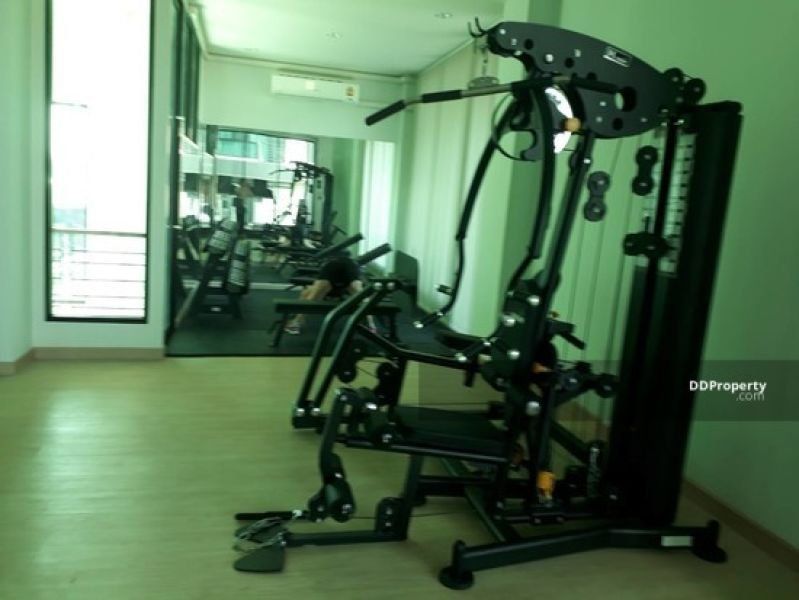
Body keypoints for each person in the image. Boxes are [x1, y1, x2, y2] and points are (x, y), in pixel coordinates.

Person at [284, 256, 376, 334]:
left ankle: (296, 322)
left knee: (312, 298)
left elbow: (306, 295)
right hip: (349, 265)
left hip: (334, 267)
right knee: (361, 296)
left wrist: (296, 311)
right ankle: (371, 325)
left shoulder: (324, 284)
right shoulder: (341, 285)